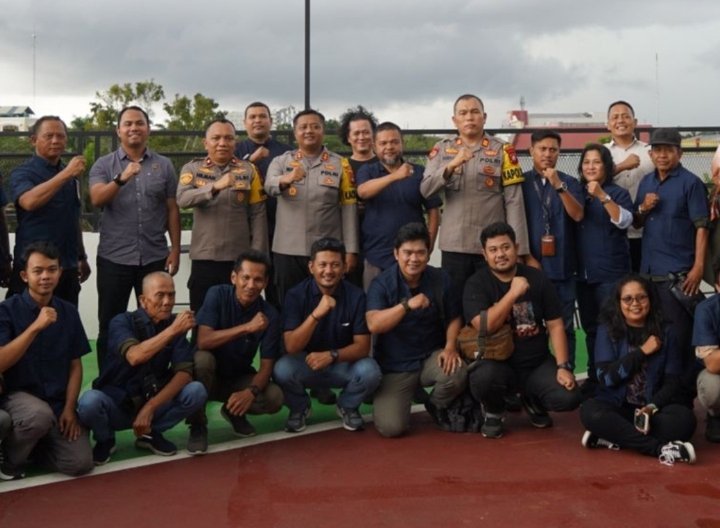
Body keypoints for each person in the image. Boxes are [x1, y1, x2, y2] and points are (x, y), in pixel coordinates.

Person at [463, 222, 580, 439]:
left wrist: (563, 366)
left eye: (505, 247)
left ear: (516, 248)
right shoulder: (476, 283)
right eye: (493, 250)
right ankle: (494, 410)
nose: (500, 254)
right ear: (484, 255)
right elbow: (484, 326)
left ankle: (531, 399)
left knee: (568, 397)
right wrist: (513, 293)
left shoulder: (538, 278)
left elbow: (555, 324)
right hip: (497, 365)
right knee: (482, 378)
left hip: (535, 363)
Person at [77, 272, 206, 465]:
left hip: (152, 403)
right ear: (143, 300)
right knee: (89, 402)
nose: (167, 302)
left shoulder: (174, 325)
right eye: (160, 295)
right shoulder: (121, 322)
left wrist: (151, 406)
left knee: (196, 391)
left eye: (171, 295)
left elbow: (184, 374)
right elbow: (135, 356)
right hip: (118, 404)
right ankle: (105, 439)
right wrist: (172, 331)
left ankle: (150, 434)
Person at [89, 106, 181, 369]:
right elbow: (96, 199)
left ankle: (152, 378)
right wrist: (122, 178)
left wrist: (175, 248)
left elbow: (172, 208)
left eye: (139, 123)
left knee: (155, 320)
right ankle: (108, 379)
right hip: (114, 258)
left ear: (148, 128)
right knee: (110, 322)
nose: (134, 128)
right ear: (118, 130)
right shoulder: (104, 164)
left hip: (153, 256)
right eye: (127, 124)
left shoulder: (164, 165)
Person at [580, 276, 697, 465]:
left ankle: (614, 436)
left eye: (641, 297)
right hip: (619, 407)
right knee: (590, 412)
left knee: (685, 421)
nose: (635, 304)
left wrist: (652, 407)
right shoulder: (607, 330)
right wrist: (642, 352)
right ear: (618, 303)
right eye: (628, 299)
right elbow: (606, 378)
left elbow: (672, 381)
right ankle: (660, 449)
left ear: (650, 299)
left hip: (653, 411)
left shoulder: (667, 331)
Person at [421, 94, 529, 297]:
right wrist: (451, 165)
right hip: (455, 245)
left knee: (495, 303)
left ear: (484, 117)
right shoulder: (441, 148)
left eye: (474, 112)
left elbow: (514, 200)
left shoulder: (503, 150)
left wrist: (518, 249)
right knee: (454, 305)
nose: (469, 117)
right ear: (455, 120)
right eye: (463, 113)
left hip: (493, 247)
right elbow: (425, 189)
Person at [0, 241, 93, 477]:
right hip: (17, 399)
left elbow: (75, 365)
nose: (45, 276)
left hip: (56, 402)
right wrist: (35, 327)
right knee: (38, 416)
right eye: (38, 270)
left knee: (80, 463)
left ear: (60, 273)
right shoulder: (7, 310)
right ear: (24, 276)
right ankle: (10, 460)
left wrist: (70, 408)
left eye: (52, 269)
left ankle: (35, 447)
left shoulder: (69, 312)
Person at [366, 223, 466, 437]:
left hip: (431, 356)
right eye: (408, 252)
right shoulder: (382, 284)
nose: (414, 258)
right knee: (391, 428)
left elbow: (454, 317)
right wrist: (406, 305)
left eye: (420, 252)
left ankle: (435, 404)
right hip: (397, 365)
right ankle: (407, 392)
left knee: (457, 372)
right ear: (396, 254)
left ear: (428, 254)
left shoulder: (441, 278)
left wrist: (450, 347)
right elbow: (374, 324)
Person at [272, 237, 381, 433]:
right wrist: (316, 315)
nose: (328, 271)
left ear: (344, 267)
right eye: (322, 265)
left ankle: (347, 405)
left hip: (341, 363)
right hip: (306, 363)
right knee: (282, 369)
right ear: (311, 267)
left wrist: (332, 355)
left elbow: (363, 347)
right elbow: (291, 346)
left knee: (370, 371)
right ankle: (300, 407)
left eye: (335, 265)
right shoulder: (295, 295)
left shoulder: (356, 296)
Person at [634, 128, 709, 404]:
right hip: (648, 274)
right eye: (657, 150)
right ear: (650, 153)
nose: (662, 155)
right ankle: (657, 396)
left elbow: (702, 228)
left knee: (680, 339)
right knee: (655, 337)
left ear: (680, 153)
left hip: (678, 275)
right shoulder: (646, 182)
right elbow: (636, 223)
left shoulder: (691, 183)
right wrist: (643, 208)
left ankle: (683, 399)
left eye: (668, 150)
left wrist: (698, 267)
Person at [187, 251, 283, 454]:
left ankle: (234, 411)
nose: (251, 285)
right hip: (206, 377)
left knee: (274, 397)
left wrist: (250, 392)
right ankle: (197, 424)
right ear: (234, 277)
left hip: (237, 378)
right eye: (245, 278)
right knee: (203, 359)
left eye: (258, 280)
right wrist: (247, 327)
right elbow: (203, 340)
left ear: (265, 283)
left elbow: (266, 366)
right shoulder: (216, 294)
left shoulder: (270, 315)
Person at [264, 109, 359, 305]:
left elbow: (349, 209)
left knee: (329, 304)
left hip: (327, 252)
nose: (309, 131)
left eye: (315, 127)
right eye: (303, 127)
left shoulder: (341, 164)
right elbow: (269, 186)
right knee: (288, 305)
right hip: (288, 250)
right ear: (295, 132)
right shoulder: (281, 161)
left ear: (323, 131)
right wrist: (287, 178)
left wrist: (351, 250)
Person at [177, 118, 268, 312]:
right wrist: (215, 187)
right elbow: (182, 200)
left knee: (238, 314)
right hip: (205, 257)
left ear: (235, 142)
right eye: (216, 138)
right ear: (206, 142)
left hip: (238, 259)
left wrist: (258, 257)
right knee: (202, 314)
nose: (222, 143)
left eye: (228, 138)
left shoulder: (249, 170)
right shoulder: (192, 169)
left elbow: (258, 215)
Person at [8, 116, 91, 305]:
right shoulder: (23, 173)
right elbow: (29, 202)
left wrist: (81, 256)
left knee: (66, 319)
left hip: (66, 266)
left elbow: (73, 218)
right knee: (26, 320)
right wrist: (66, 174)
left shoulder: (70, 175)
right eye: (49, 136)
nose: (55, 141)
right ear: (33, 140)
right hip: (34, 268)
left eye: (60, 136)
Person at [521, 130, 584, 367]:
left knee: (565, 326)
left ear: (559, 152)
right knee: (527, 328)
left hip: (563, 269)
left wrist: (558, 185)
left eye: (553, 150)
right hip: (528, 269)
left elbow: (578, 215)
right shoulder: (519, 183)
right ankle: (533, 376)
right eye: (542, 149)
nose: (547, 154)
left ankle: (566, 371)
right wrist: (526, 257)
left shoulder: (570, 182)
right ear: (531, 151)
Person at [575, 144, 633, 396]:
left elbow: (624, 221)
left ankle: (617, 378)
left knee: (613, 327)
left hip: (611, 273)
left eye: (596, 162)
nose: (590, 167)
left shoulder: (617, 193)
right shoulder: (576, 192)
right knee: (590, 327)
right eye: (586, 162)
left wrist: (602, 196)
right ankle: (593, 376)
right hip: (582, 274)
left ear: (607, 166)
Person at [356, 122, 441, 289]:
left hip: (413, 257)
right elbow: (363, 192)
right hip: (376, 256)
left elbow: (433, 210)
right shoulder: (367, 171)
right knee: (375, 303)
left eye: (394, 142)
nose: (389, 147)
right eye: (383, 143)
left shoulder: (420, 172)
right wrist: (396, 176)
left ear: (402, 143)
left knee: (416, 303)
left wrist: (429, 245)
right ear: (374, 147)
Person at [235, 102, 292, 309]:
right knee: (245, 286)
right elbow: (227, 178)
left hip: (279, 228)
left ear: (270, 121)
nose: (257, 120)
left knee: (277, 286)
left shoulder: (286, 152)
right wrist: (251, 161)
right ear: (245, 122)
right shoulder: (235, 150)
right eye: (252, 117)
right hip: (243, 227)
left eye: (262, 116)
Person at [605, 101, 654, 272]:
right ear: (608, 124)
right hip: (611, 230)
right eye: (615, 117)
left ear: (635, 122)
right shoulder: (601, 153)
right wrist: (621, 166)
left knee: (645, 281)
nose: (620, 121)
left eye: (626, 116)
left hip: (647, 231)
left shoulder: (650, 151)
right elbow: (590, 181)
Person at [338, 105, 379, 289]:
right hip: (347, 238)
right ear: (348, 137)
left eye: (366, 132)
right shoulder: (340, 166)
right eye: (356, 133)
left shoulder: (385, 165)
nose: (361, 137)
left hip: (379, 239)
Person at [692, 267, 720, 443]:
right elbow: (712, 364)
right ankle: (716, 415)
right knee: (712, 387)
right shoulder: (706, 310)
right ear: (717, 287)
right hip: (717, 373)